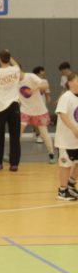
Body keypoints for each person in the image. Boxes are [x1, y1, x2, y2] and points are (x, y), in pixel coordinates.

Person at [19, 67, 56, 164]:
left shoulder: (30, 76)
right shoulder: (14, 82)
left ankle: (51, 154)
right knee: (18, 132)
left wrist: (35, 88)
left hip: (39, 111)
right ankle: (12, 153)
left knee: (44, 134)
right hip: (25, 111)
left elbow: (45, 85)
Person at [55, 73, 78, 201]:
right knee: (66, 165)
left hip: (76, 140)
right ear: (70, 83)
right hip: (66, 140)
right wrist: (73, 129)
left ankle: (71, 184)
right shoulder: (66, 97)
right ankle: (62, 191)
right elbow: (62, 114)